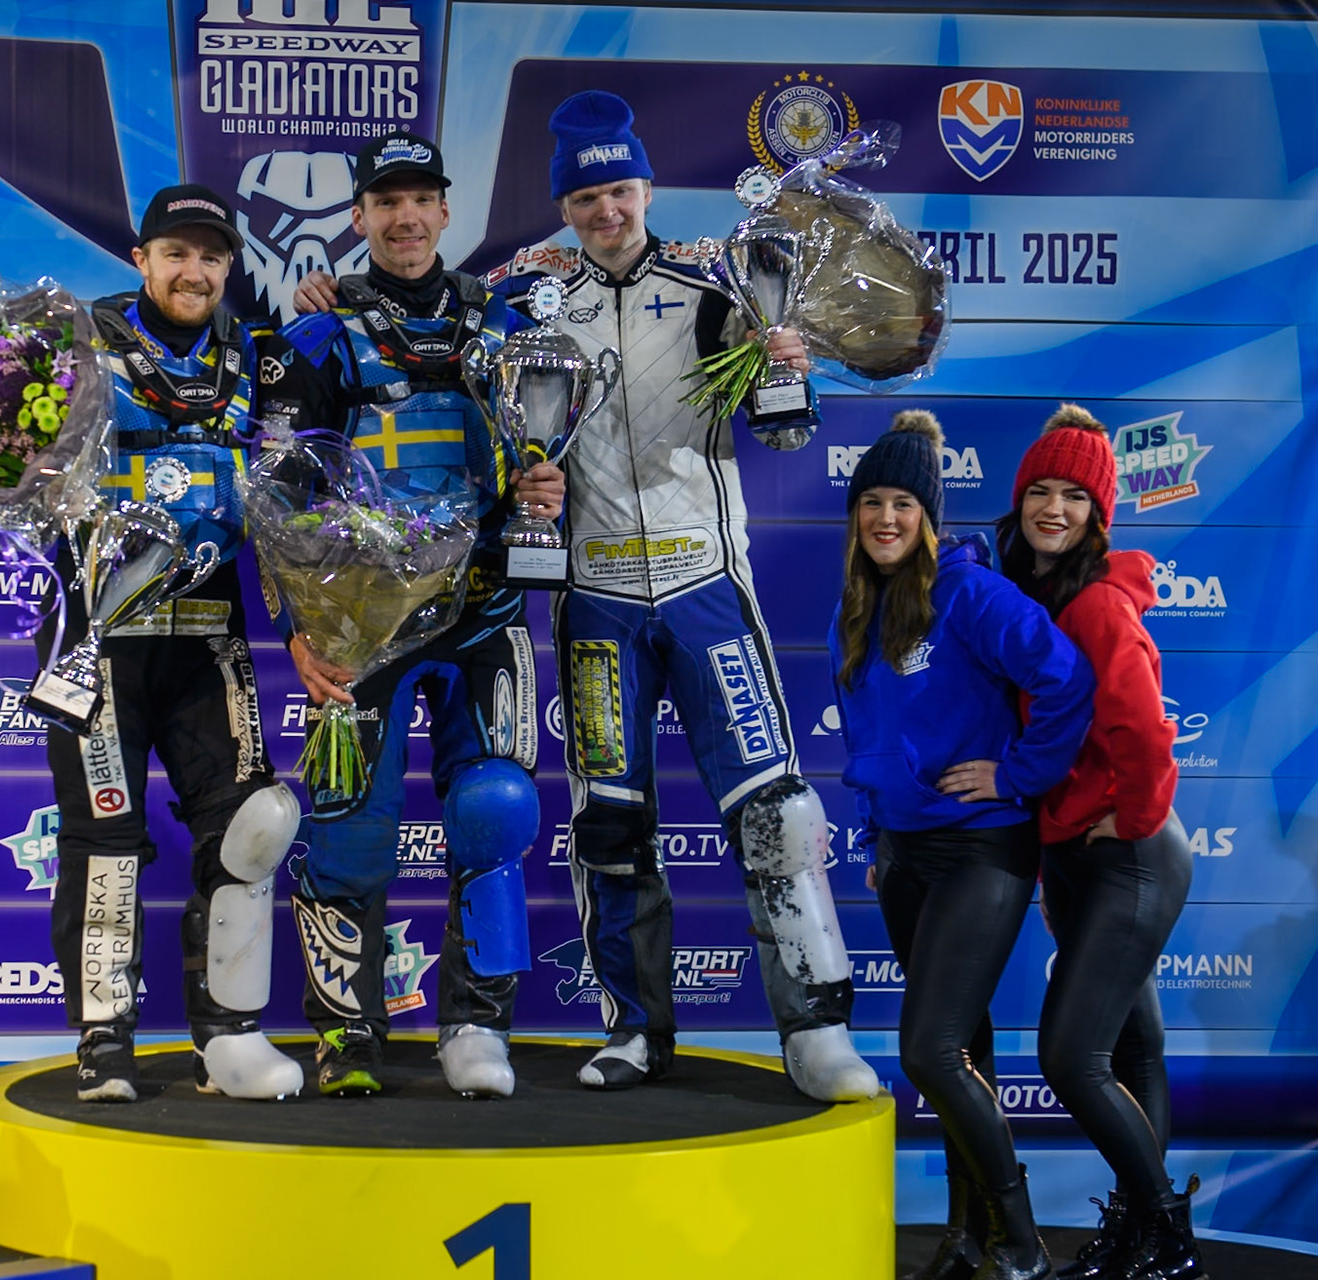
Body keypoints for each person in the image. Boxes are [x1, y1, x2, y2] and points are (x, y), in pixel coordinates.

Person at [295, 92, 876, 1099]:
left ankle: (816, 1026)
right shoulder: (526, 299)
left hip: (704, 585)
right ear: (561, 205)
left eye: (619, 189)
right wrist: (320, 295)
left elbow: (784, 434)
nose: (605, 210)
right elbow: (424, 353)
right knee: (608, 819)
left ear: (645, 188)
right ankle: (637, 1028)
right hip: (592, 597)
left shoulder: (716, 287)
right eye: (585, 194)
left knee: (776, 812)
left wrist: (788, 367)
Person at [268, 132, 565, 1099]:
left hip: (484, 606)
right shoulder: (319, 331)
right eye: (383, 202)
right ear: (358, 218)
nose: (403, 218)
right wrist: (297, 627)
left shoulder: (504, 324)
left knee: (497, 810)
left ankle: (477, 1027)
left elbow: (548, 439)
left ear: (446, 211)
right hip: (363, 628)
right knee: (351, 828)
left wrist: (548, 489)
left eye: (420, 200)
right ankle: (347, 1035)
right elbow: (276, 491)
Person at [47, 184, 304, 1105]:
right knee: (106, 844)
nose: (193, 273)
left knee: (246, 833)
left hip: (208, 635)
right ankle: (103, 1041)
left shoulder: (262, 361)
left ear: (230, 269)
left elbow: (296, 499)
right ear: (141, 258)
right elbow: (9, 466)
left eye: (212, 258)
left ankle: (230, 1036)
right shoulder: (75, 344)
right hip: (101, 639)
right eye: (176, 254)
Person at [831, 410, 1093, 1280]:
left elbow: (1065, 680)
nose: (886, 520)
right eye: (871, 502)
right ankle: (965, 1238)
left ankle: (1023, 1247)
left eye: (903, 503)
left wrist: (1015, 775)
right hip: (906, 854)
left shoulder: (973, 595)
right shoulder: (860, 607)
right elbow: (873, 733)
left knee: (929, 1050)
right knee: (964, 1055)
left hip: (982, 848)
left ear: (931, 517)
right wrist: (877, 831)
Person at [996, 406, 1200, 1280]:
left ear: (1098, 512)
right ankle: (1139, 1234)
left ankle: (1169, 1236)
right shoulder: (1033, 592)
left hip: (1131, 854)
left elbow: (1147, 731)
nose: (1052, 508)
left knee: (1069, 1056)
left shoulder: (1097, 602)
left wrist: (1137, 817)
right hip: (1081, 854)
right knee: (1129, 1049)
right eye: (1038, 490)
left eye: (1073, 496)